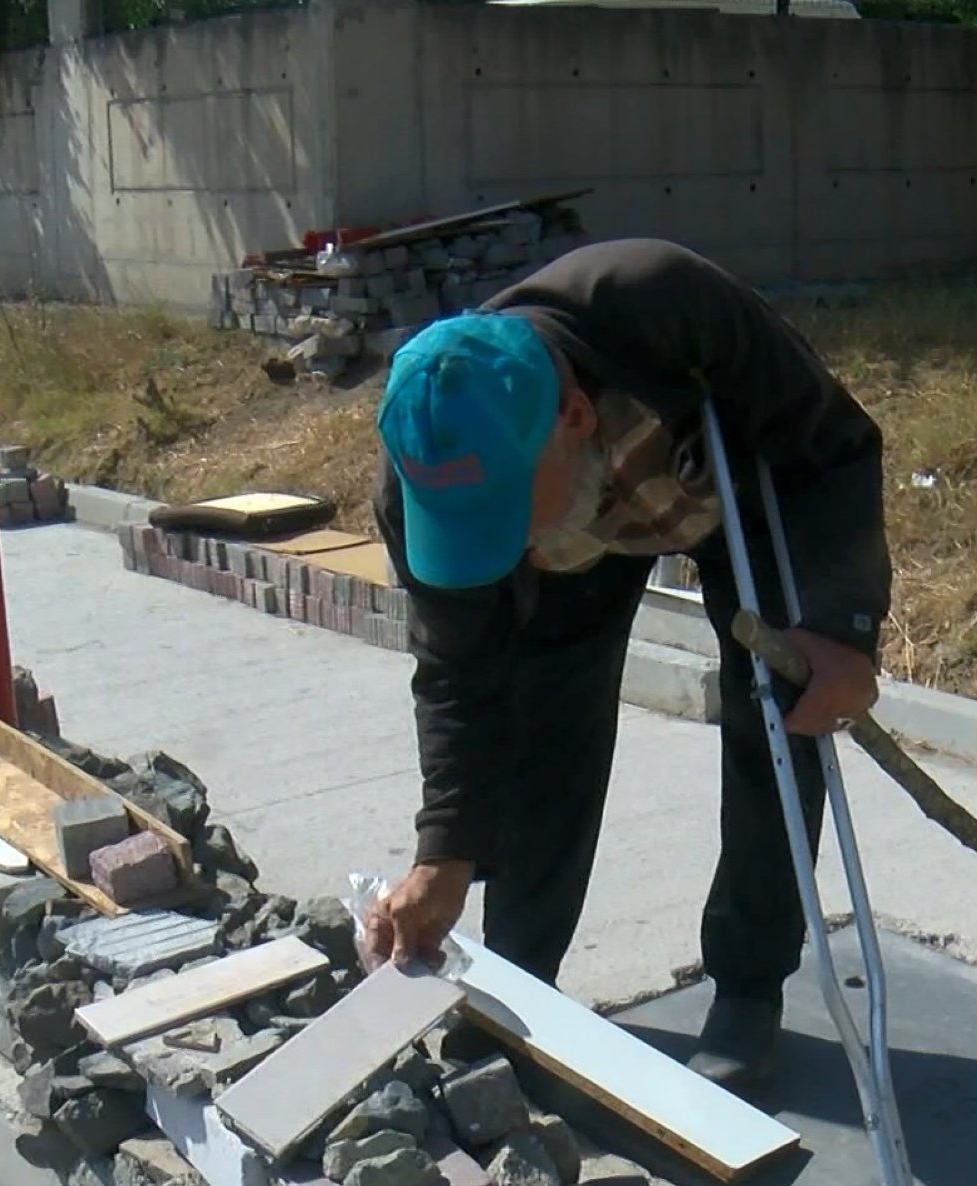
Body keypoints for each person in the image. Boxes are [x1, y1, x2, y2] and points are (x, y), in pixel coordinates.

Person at [360, 237, 891, 1093]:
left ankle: (750, 987)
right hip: (579, 539)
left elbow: (831, 447)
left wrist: (844, 627)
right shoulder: (426, 458)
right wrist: (444, 852)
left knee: (776, 722)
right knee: (546, 735)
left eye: (503, 512)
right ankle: (519, 993)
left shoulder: (659, 303)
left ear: (572, 417)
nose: (494, 541)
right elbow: (459, 675)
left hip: (725, 502)